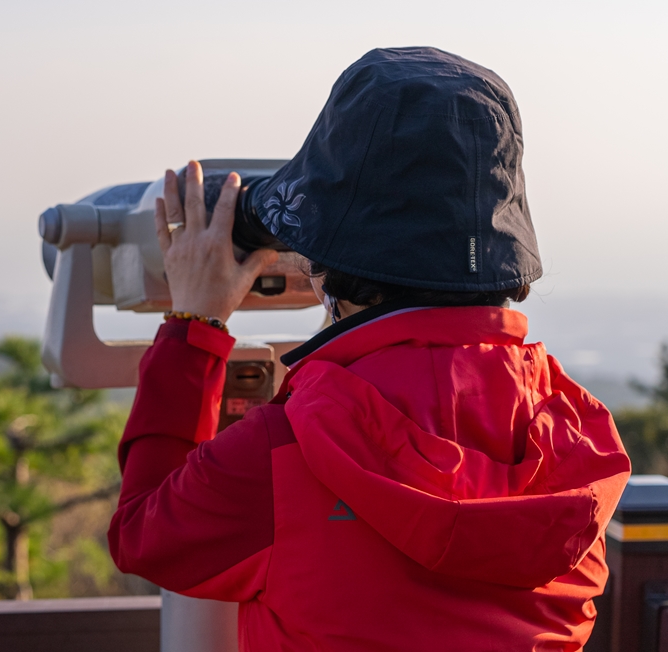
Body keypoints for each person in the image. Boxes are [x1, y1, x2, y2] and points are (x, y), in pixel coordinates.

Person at [108, 47, 631, 650]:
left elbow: (143, 534)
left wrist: (193, 325)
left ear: (329, 257)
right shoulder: (579, 441)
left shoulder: (283, 454)